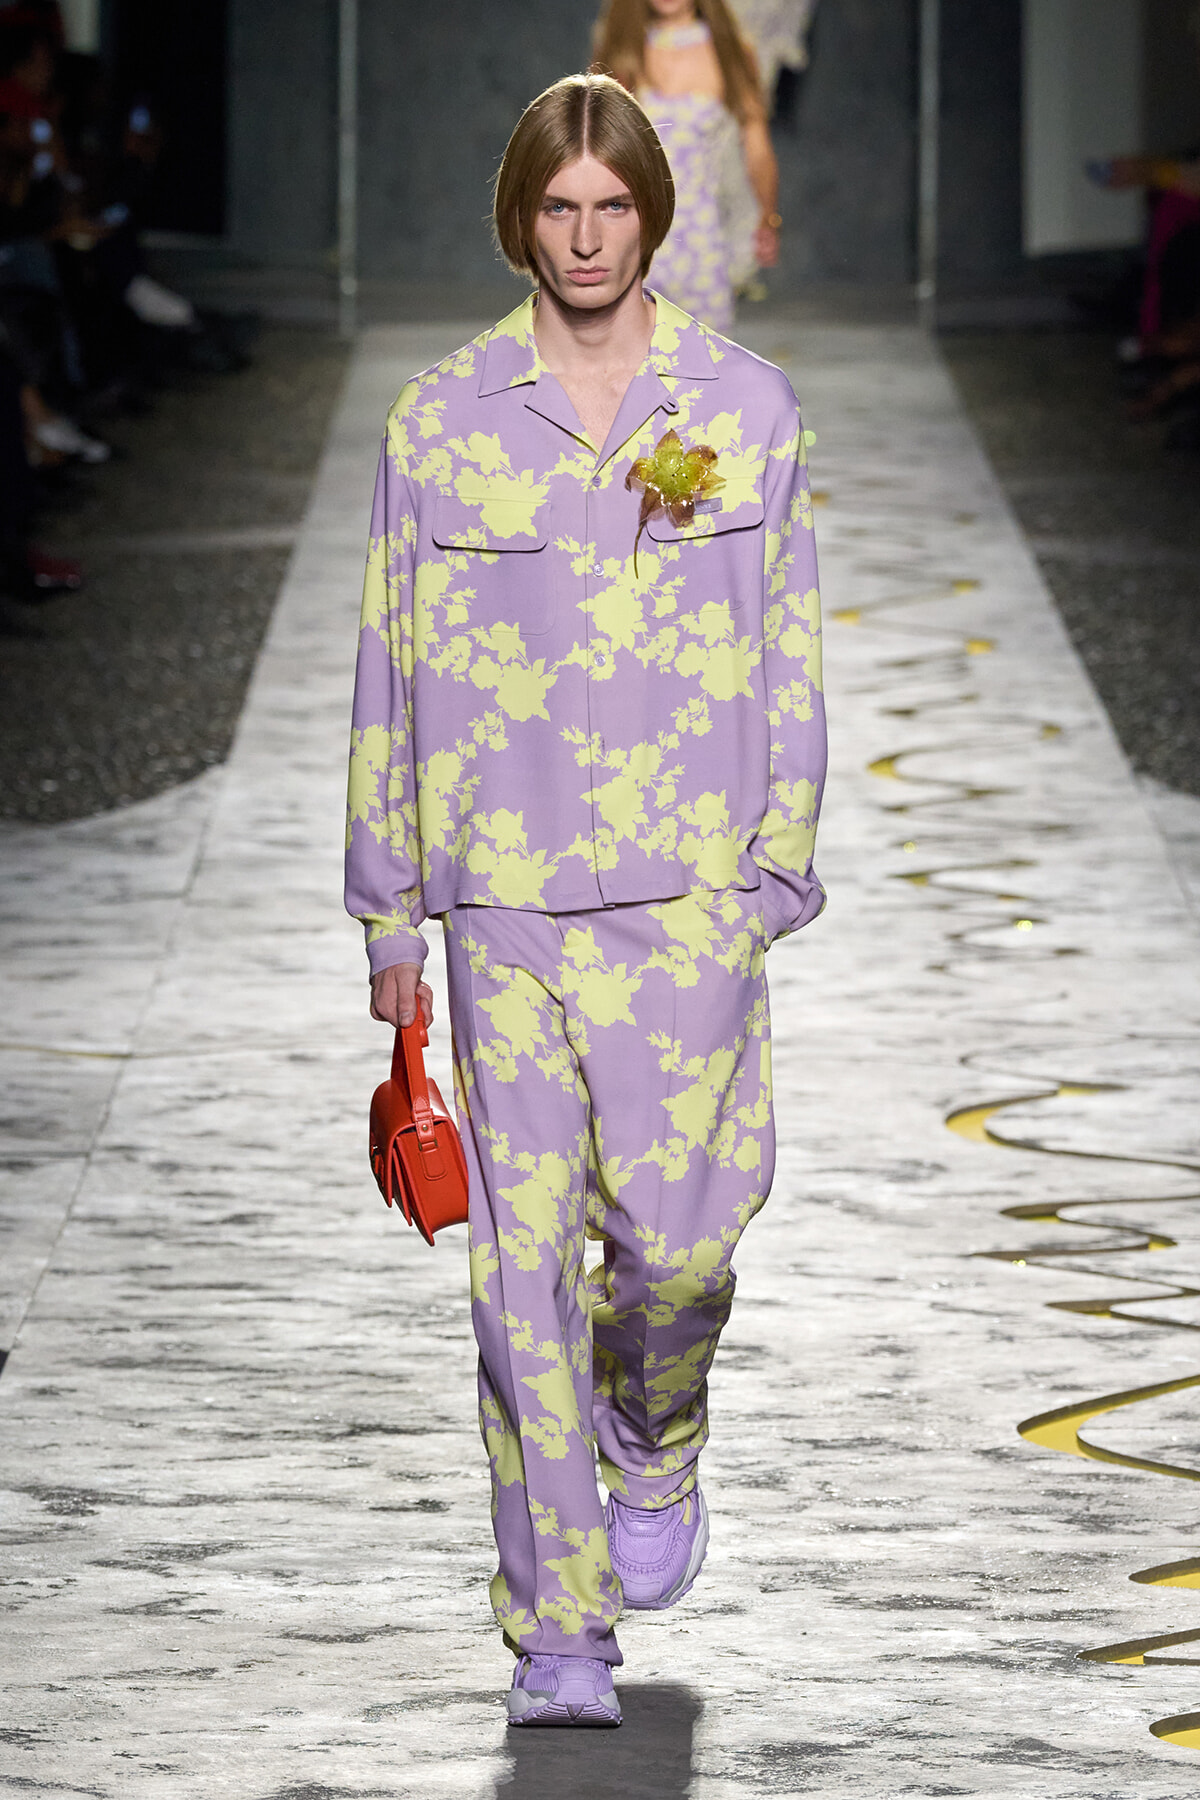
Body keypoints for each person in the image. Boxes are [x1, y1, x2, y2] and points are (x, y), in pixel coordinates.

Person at [345, 71, 825, 1727]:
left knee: (680, 1252)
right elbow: (389, 667)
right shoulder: (442, 419)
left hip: (693, 888)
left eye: (613, 207)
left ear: (651, 216)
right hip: (506, 899)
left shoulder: (743, 408)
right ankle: (560, 1626)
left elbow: (791, 637)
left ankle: (656, 1430)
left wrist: (778, 859)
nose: (588, 237)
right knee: (520, 1269)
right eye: (559, 209)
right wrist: (389, 907)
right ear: (520, 220)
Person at [592, 0, 780, 330]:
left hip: (700, 237)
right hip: (629, 232)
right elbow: (595, 143)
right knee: (621, 360)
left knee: (701, 363)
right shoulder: (622, 47)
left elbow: (757, 146)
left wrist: (768, 216)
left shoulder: (730, 51)